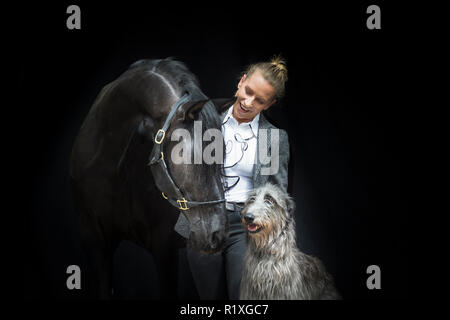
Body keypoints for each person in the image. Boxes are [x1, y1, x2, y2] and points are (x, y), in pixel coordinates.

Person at [175, 55, 290, 299]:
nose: (248, 102)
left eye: (259, 100)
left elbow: (275, 195)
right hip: (205, 222)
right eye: (247, 91)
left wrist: (272, 240)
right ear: (241, 81)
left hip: (246, 227)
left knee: (243, 296)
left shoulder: (272, 138)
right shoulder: (206, 119)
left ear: (269, 104)